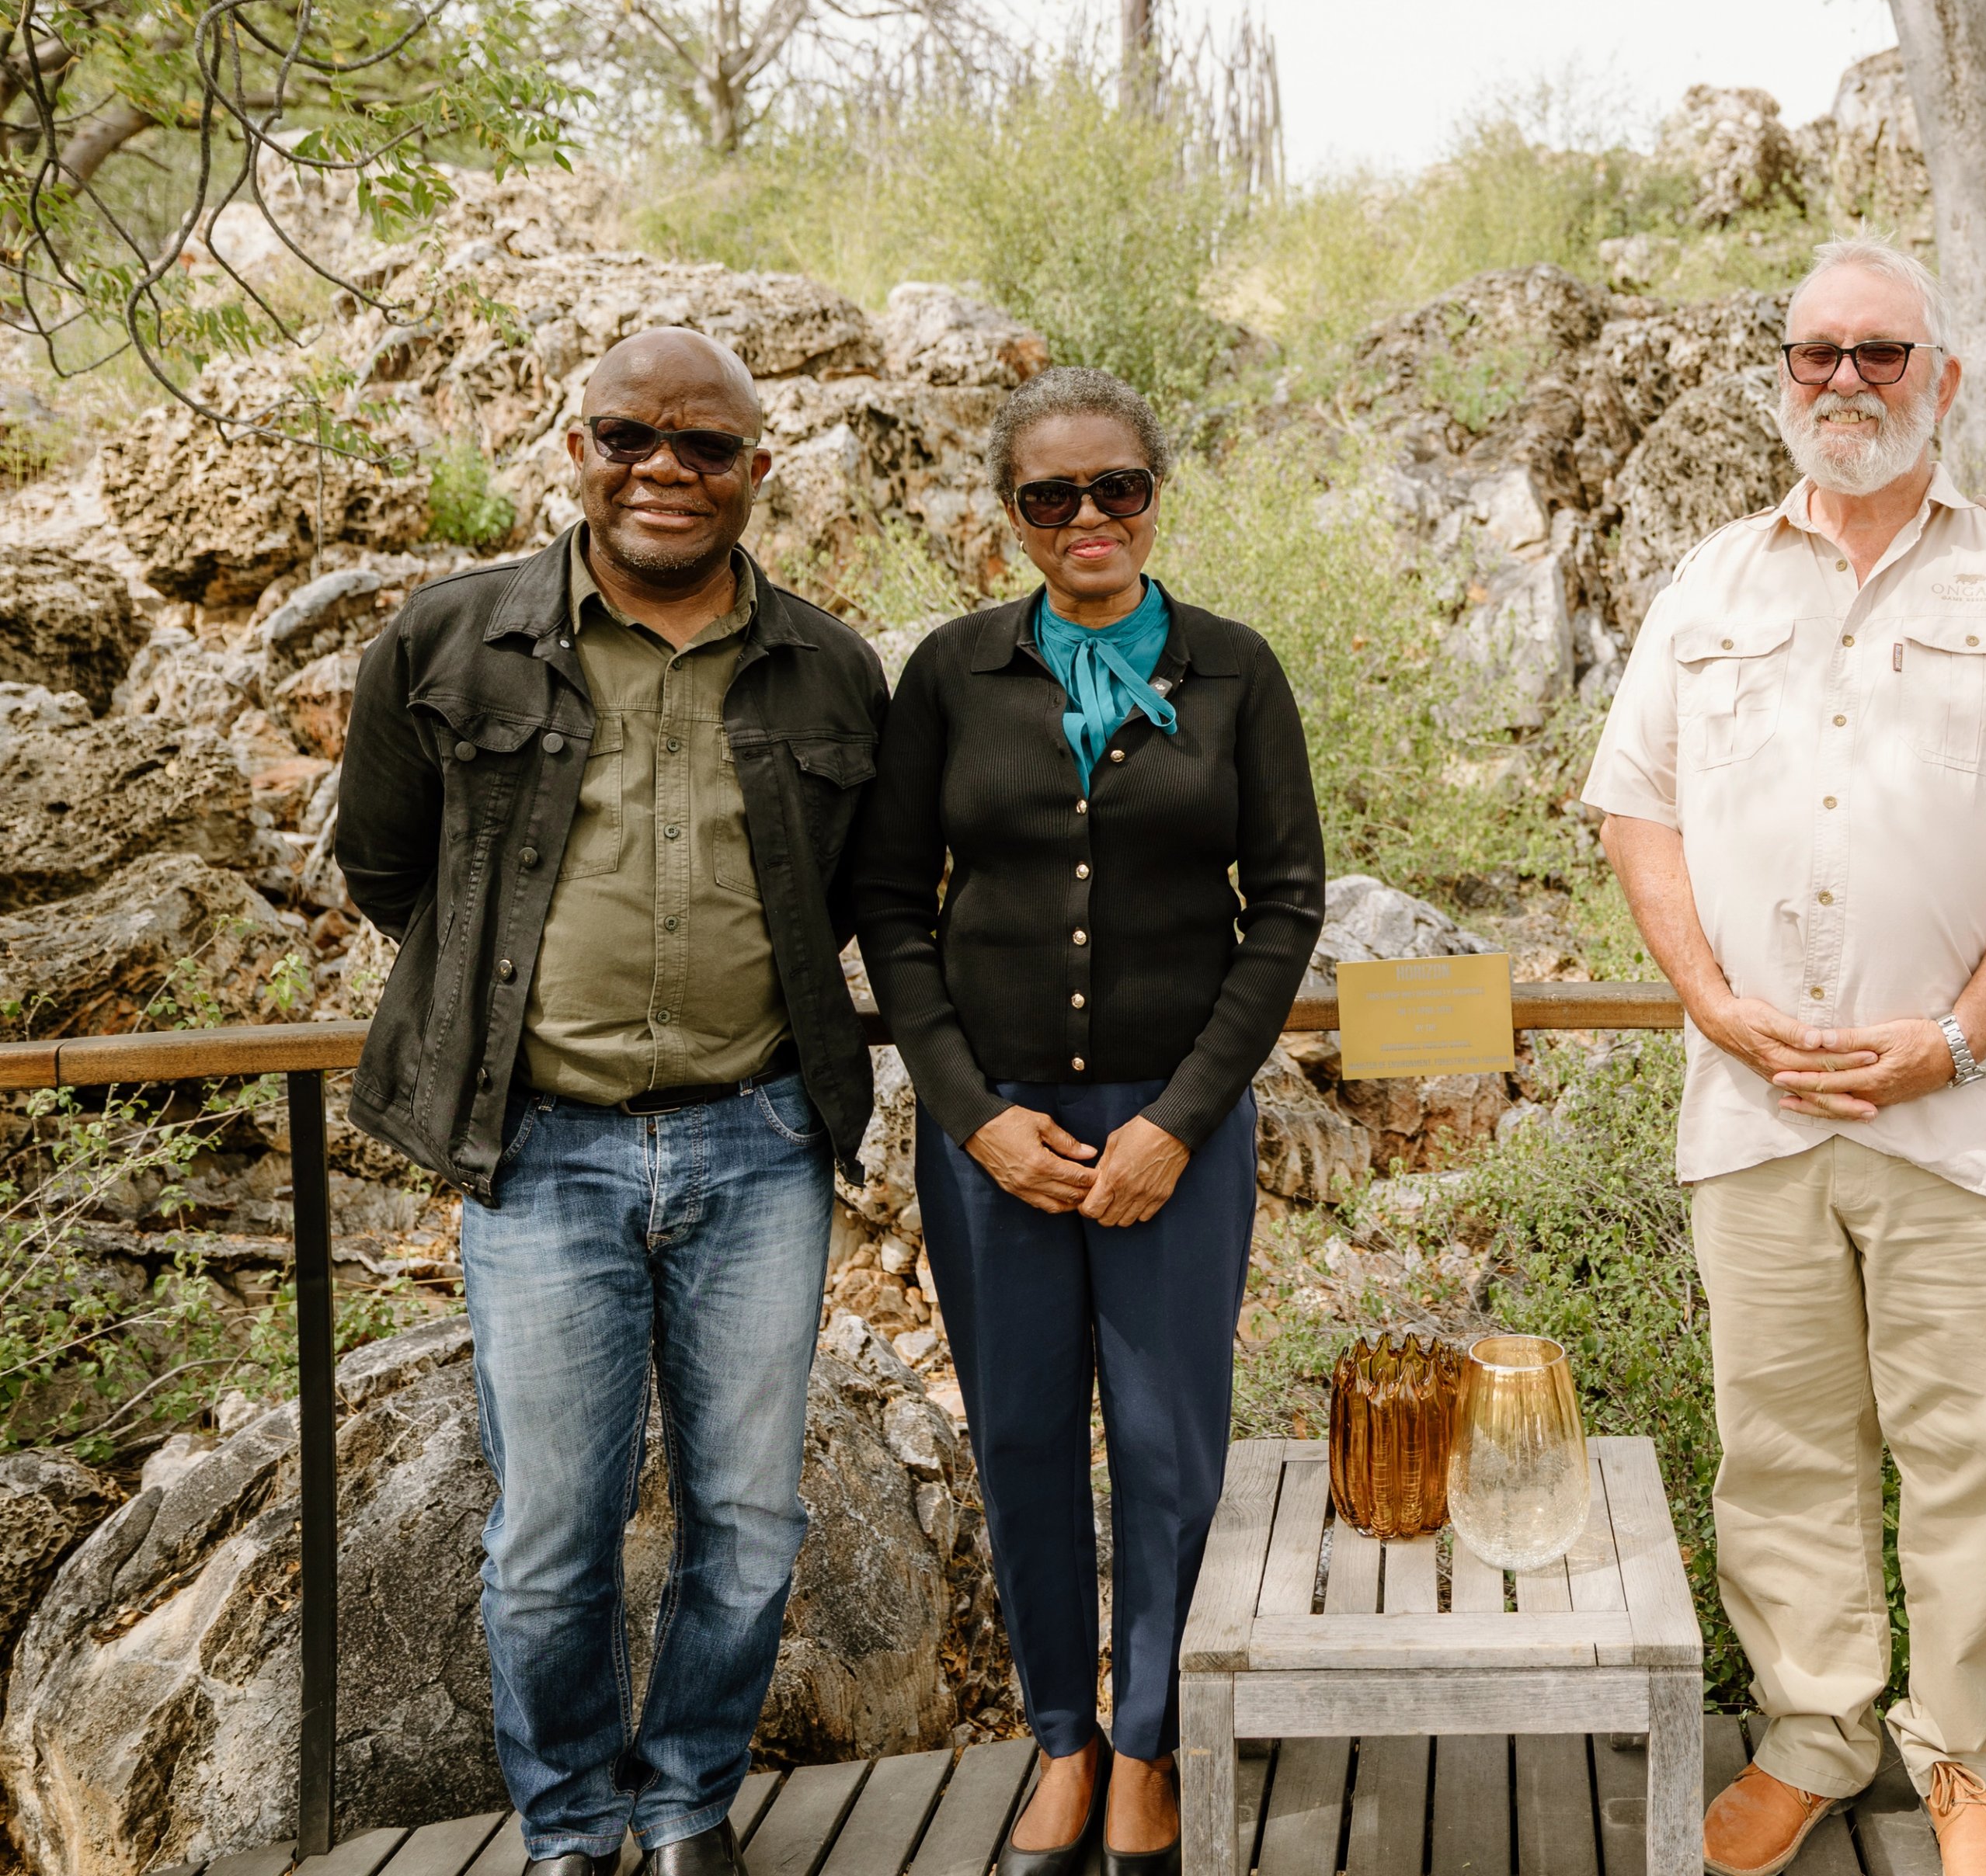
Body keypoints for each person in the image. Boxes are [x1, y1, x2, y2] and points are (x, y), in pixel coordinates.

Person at [1584, 238, 1986, 1876]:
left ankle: (1968, 1764)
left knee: (1976, 1451)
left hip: (1971, 1110)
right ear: (1782, 379)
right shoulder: (1707, 586)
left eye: (1881, 354)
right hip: (1755, 1107)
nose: (1845, 381)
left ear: (1943, 381)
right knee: (1783, 1445)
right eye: (1816, 352)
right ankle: (1814, 1730)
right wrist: (1712, 1000)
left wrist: (1951, 1034)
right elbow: (1639, 811)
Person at [337, 328, 889, 1876]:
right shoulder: (448, 641)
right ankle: (575, 1815)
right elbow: (388, 862)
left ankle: (688, 1799)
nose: (667, 467)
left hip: (762, 1140)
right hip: (543, 1150)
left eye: (706, 445)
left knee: (750, 1514)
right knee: (552, 1530)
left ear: (757, 471)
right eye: (632, 434)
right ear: (572, 448)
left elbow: (852, 897)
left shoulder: (832, 668)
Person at [849, 365, 1326, 1876]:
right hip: (993, 1135)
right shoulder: (952, 675)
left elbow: (1288, 903)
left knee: (1175, 1445)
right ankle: (1062, 1730)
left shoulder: (1234, 671)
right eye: (1051, 496)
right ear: (1013, 517)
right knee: (1028, 1434)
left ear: (1154, 493)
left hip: (1170, 1131)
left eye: (1114, 486)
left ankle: (1149, 1741)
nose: (1087, 517)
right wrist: (968, 1112)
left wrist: (1184, 1117)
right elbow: (888, 901)